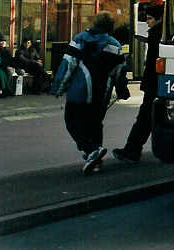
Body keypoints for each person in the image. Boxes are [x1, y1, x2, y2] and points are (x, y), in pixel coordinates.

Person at [51, 11, 129, 175]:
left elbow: (68, 65)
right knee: (95, 124)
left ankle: (91, 150)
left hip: (79, 90)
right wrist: (122, 90)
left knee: (72, 121)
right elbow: (119, 72)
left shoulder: (79, 39)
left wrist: (58, 87)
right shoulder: (115, 45)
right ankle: (96, 160)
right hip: (102, 92)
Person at [113, 4, 163, 163]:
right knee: (150, 118)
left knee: (144, 118)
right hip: (156, 83)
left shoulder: (156, 35)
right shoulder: (161, 33)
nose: (147, 22)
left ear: (159, 19)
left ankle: (132, 151)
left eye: (150, 18)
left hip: (153, 84)